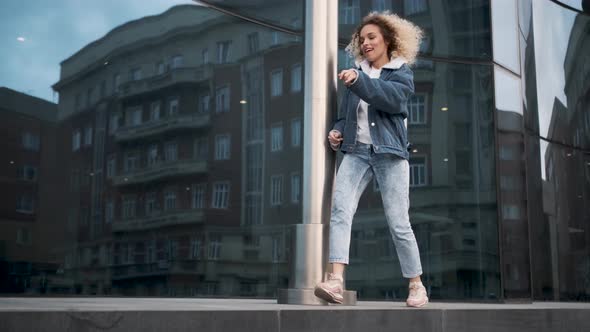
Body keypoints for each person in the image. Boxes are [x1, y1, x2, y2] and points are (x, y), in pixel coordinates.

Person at [313, 11, 428, 308]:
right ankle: (336, 280)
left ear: (388, 40)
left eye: (371, 37)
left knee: (399, 222)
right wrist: (337, 132)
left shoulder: (401, 72)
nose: (365, 43)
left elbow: (391, 100)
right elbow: (344, 116)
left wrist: (358, 81)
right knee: (340, 211)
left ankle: (416, 285)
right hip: (357, 152)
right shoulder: (356, 73)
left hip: (390, 154)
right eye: (361, 39)